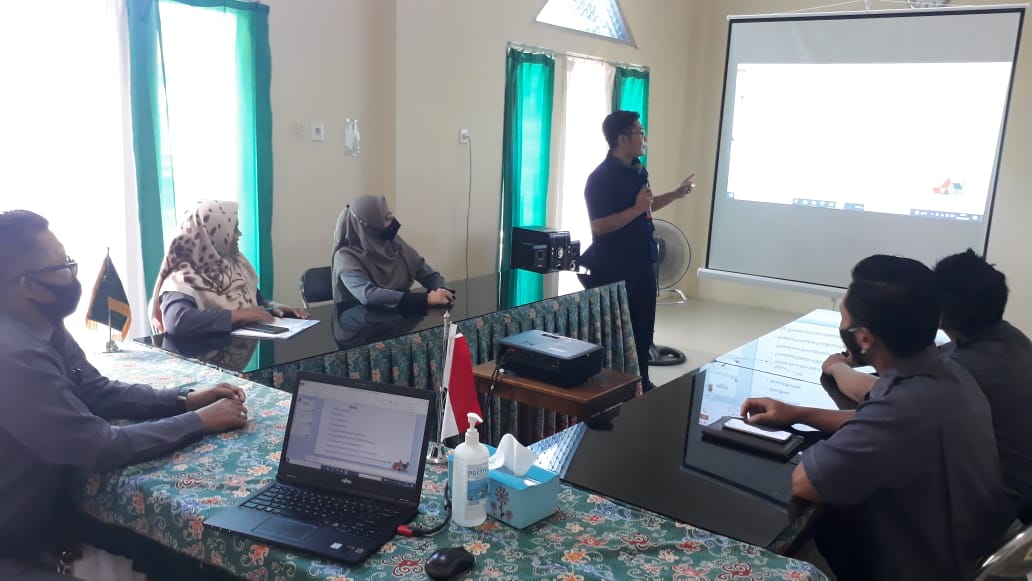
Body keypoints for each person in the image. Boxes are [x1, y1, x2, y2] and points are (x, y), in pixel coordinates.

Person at [0, 210, 249, 579]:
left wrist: (182, 400)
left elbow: (95, 390)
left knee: (167, 558)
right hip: (11, 546)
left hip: (39, 525)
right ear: (27, 285)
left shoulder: (40, 324)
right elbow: (98, 447)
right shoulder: (15, 356)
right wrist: (198, 421)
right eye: (63, 266)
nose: (72, 275)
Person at [743, 254, 1006, 581]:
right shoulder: (947, 372)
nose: (843, 326)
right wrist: (798, 413)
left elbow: (806, 481)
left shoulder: (906, 408)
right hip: (967, 554)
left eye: (844, 318)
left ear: (864, 338)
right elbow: (874, 421)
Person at [822, 249, 1032, 522]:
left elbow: (880, 400)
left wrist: (837, 367)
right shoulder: (1010, 338)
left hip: (996, 506)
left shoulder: (965, 371)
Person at [580, 110, 694, 391]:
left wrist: (675, 194)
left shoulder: (638, 170)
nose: (645, 139)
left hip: (644, 263)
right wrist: (636, 209)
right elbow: (599, 226)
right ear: (622, 139)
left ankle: (641, 382)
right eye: (640, 133)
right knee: (615, 335)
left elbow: (647, 207)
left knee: (643, 331)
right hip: (615, 268)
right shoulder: (600, 178)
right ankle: (610, 389)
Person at [149, 200, 308, 336]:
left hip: (237, 351)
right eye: (233, 229)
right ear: (211, 234)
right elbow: (177, 321)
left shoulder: (233, 264)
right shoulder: (182, 277)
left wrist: (274, 308)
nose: (239, 234)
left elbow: (255, 301)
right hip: (201, 357)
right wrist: (237, 315)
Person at [332, 195, 453, 309]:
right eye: (387, 218)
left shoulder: (393, 243)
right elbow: (368, 295)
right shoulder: (345, 257)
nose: (393, 221)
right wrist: (426, 299)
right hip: (359, 319)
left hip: (399, 315)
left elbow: (427, 274)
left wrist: (441, 289)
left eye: (390, 215)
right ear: (368, 226)